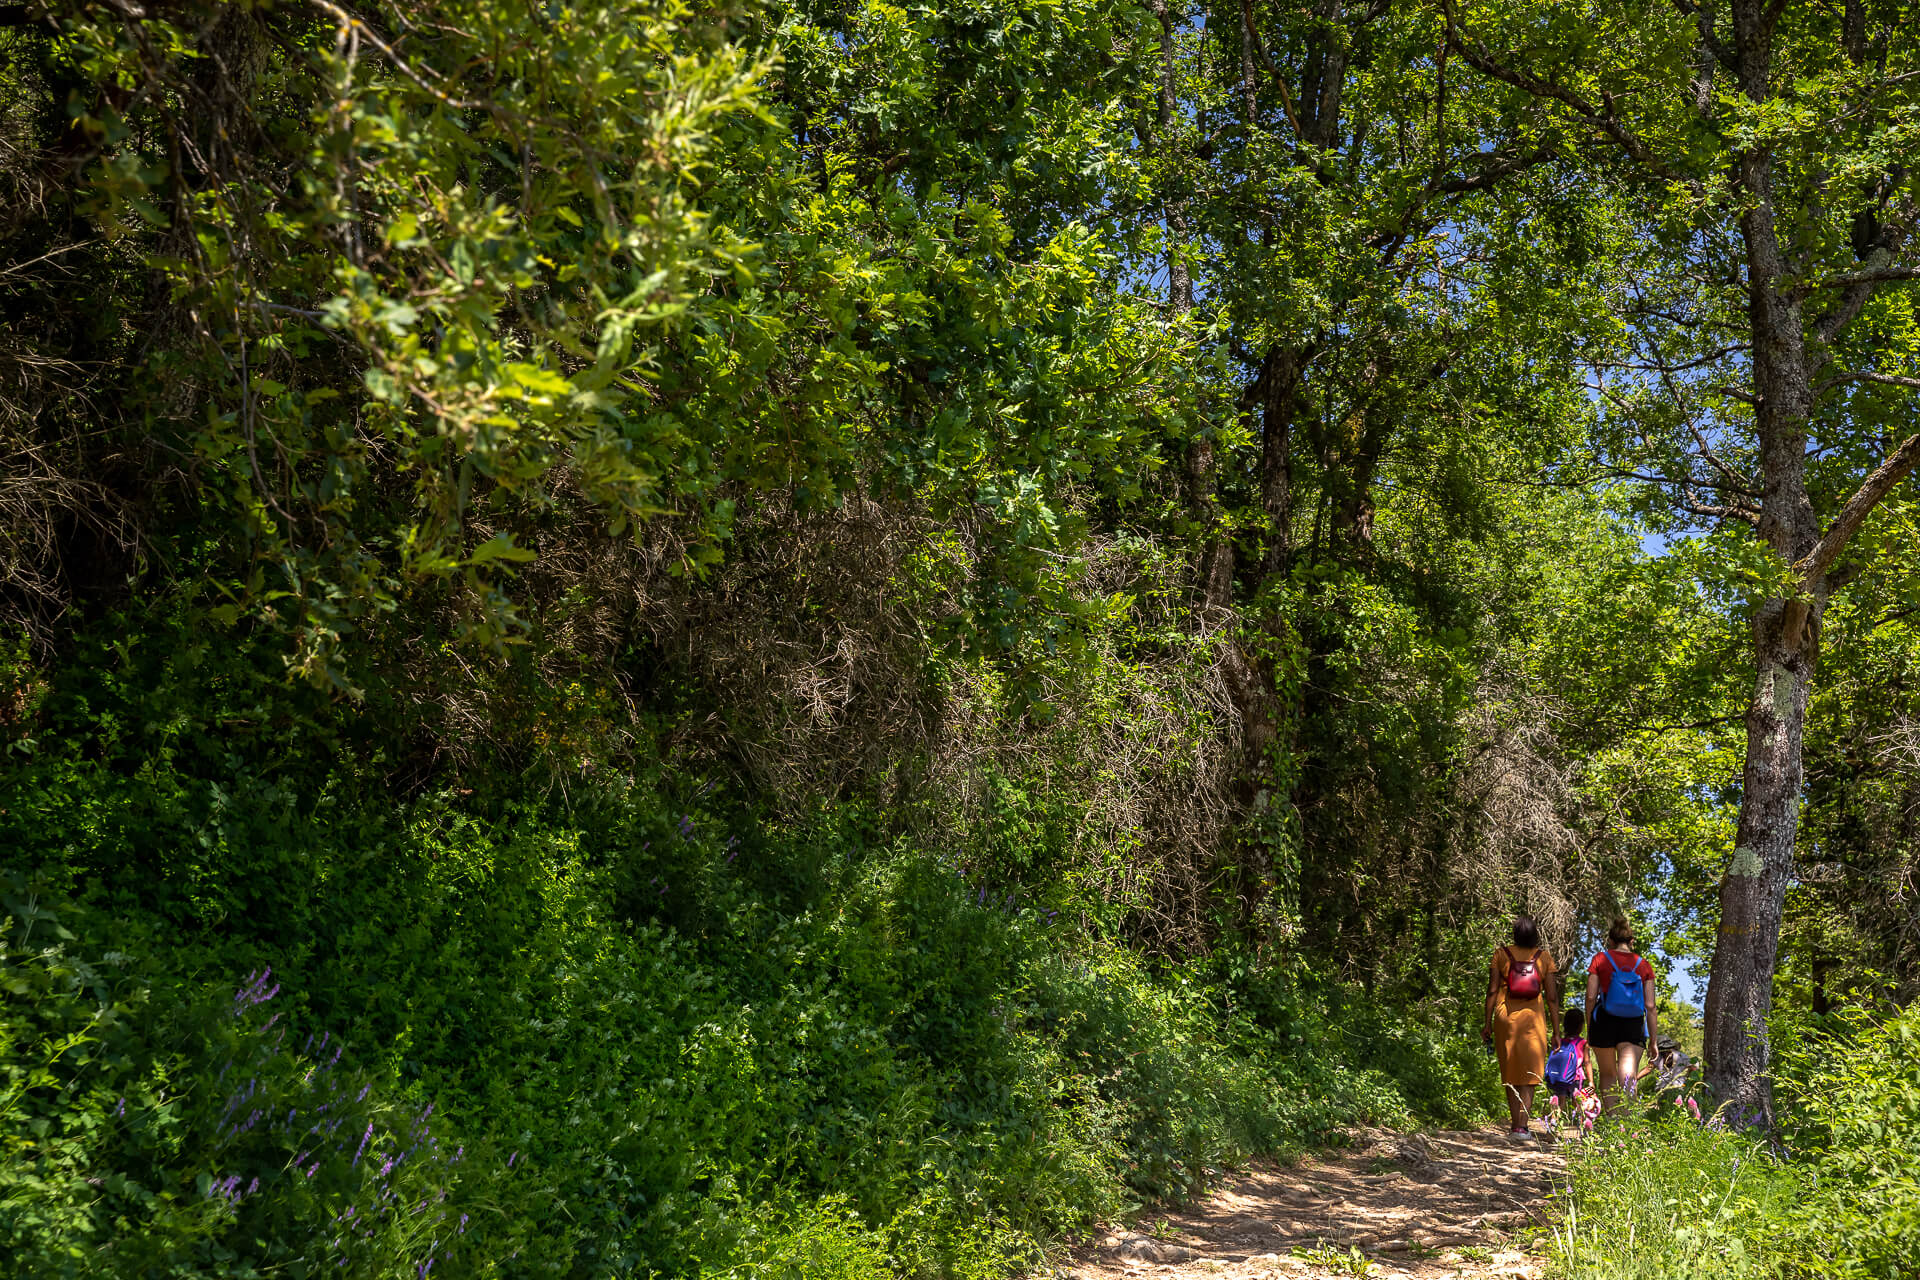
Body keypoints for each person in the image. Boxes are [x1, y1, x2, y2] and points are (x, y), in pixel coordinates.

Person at [1482, 915, 1558, 1140]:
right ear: (1535, 934)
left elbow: (1492, 991)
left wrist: (1487, 1024)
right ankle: (1523, 1127)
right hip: (1534, 1020)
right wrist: (1557, 1031)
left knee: (1511, 1070)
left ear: (1515, 934)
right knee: (1530, 1073)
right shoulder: (1544, 957)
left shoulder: (1501, 954)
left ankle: (1516, 1125)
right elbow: (1552, 998)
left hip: (1506, 1017)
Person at [1585, 917, 1658, 1113]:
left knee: (1608, 1075)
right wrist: (1654, 1041)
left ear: (1610, 941)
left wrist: (1589, 1025)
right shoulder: (1644, 965)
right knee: (1628, 1075)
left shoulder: (1600, 959)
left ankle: (1613, 1124)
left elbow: (1591, 996)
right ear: (1631, 940)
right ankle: (1628, 1130)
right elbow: (1650, 1005)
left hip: (1604, 1021)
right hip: (1633, 1023)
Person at [1544, 1008, 1600, 1137]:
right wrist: (1591, 1081)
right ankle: (1584, 1131)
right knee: (1579, 1104)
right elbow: (1587, 1062)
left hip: (1560, 1078)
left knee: (1559, 1103)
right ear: (1581, 1025)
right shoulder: (1583, 1043)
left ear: (1565, 1025)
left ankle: (1552, 1128)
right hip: (1576, 1078)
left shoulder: (1558, 1042)